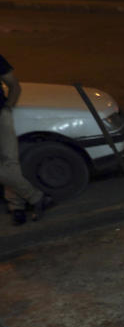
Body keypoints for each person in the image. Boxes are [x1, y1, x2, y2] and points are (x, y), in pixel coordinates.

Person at [1, 53, 52, 226]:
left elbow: (14, 85)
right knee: (7, 167)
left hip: (1, 116)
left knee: (10, 163)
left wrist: (8, 108)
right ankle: (37, 197)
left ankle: (17, 206)